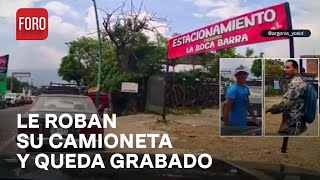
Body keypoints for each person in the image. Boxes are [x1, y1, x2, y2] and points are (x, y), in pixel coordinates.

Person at [266, 60, 307, 135]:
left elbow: (285, 105)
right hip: (298, 123)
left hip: (292, 124)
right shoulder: (299, 81)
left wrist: (271, 109)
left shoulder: (296, 83)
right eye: (284, 67)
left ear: (296, 69)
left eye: (288, 67)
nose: (284, 70)